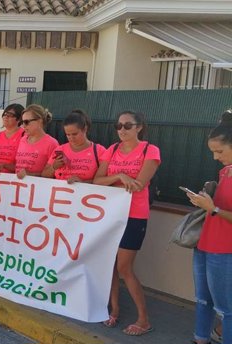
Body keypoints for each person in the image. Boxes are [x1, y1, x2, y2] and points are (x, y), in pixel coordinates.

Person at [93, 111, 160, 336]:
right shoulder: (111, 150)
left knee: (124, 267)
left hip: (134, 215)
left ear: (139, 127)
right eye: (118, 125)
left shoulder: (150, 150)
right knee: (109, 264)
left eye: (127, 125)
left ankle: (144, 319)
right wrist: (120, 176)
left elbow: (139, 185)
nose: (122, 130)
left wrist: (115, 182)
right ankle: (115, 309)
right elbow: (97, 181)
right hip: (110, 214)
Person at [186, 110, 232, 344]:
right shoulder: (225, 170)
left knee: (226, 309)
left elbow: (220, 210)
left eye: (219, 151)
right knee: (203, 299)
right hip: (206, 244)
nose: (215, 157)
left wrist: (212, 208)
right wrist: (205, 201)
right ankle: (200, 339)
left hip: (225, 250)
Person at [42, 110, 106, 183]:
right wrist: (53, 167)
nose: (71, 138)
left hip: (86, 193)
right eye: (68, 135)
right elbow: (44, 175)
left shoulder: (99, 151)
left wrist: (82, 182)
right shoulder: (60, 149)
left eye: (75, 134)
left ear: (85, 129)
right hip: (60, 192)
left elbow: (105, 180)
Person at [14, 104, 59, 179]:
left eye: (26, 122)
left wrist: (30, 175)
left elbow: (54, 174)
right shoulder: (22, 140)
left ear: (39, 121)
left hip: (38, 189)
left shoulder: (52, 143)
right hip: (19, 187)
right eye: (22, 122)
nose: (23, 126)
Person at [0, 104, 25, 174]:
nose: (5, 117)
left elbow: (25, 165)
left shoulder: (24, 136)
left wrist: (4, 166)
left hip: (14, 181)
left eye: (10, 115)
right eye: (5, 114)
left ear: (19, 119)